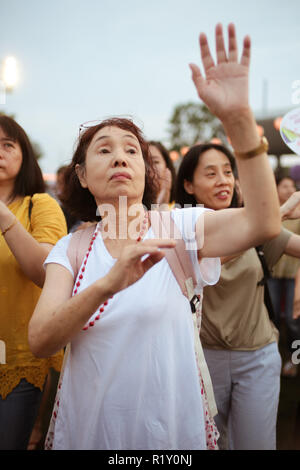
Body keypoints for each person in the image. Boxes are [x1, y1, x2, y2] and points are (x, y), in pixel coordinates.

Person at [28, 23, 281, 450]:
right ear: (82, 176)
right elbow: (40, 340)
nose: (120, 157)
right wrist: (109, 284)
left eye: (131, 149)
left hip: (172, 426)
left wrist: (239, 124)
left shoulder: (180, 228)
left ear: (147, 171)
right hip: (93, 428)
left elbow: (262, 223)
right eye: (104, 150)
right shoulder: (69, 250)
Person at [175, 141, 300, 450]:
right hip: (202, 360)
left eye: (228, 172)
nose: (223, 180)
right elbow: (206, 261)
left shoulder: (256, 225)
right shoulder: (178, 228)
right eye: (211, 173)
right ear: (188, 185)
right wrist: (278, 213)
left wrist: (268, 222)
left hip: (257, 357)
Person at [0, 115, 67, 449]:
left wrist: (4, 216)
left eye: (7, 145)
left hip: (19, 360)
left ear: (24, 155)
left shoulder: (39, 205)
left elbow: (45, 272)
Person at [268, 176, 300, 377]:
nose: (289, 190)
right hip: (272, 274)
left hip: (293, 275)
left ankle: (294, 358)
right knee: (272, 319)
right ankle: (275, 358)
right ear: (276, 189)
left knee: (292, 320)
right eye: (284, 186)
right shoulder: (271, 213)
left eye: (292, 186)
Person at [148, 141, 176, 206]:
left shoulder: (181, 208)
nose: (150, 167)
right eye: (145, 162)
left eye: (155, 162)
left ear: (167, 166)